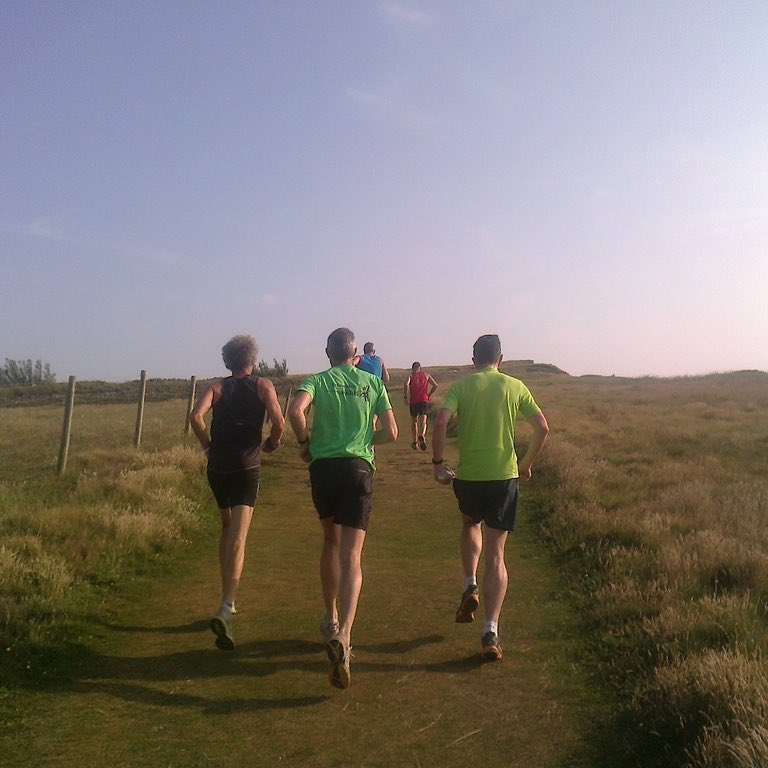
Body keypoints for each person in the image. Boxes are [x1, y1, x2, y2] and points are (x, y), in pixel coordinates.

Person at [288, 328, 398, 689]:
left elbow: (295, 411)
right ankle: (346, 636)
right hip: (359, 468)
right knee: (353, 556)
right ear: (355, 354)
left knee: (330, 543)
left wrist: (306, 441)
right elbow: (392, 433)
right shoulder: (371, 382)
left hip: (324, 468)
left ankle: (331, 617)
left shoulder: (317, 380)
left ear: (327, 353)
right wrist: (367, 437)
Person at [431, 334, 549, 662]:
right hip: (504, 476)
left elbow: (440, 422)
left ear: (473, 359)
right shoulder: (515, 386)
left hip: (469, 476)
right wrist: (525, 466)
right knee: (497, 553)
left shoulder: (461, 387)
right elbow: (543, 428)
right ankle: (491, 630)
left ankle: (470, 584)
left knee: (470, 524)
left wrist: (438, 464)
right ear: (501, 358)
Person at [189, 334, 285, 651]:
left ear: (227, 362)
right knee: (239, 536)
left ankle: (225, 594)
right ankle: (227, 606)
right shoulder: (263, 385)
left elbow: (195, 417)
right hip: (246, 468)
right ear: (252, 360)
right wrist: (270, 444)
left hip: (217, 467)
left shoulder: (217, 387)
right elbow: (278, 421)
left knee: (227, 527)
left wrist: (207, 447)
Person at [403, 362, 438, 451]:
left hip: (414, 401)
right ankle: (422, 435)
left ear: (412, 368)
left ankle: (415, 442)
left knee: (414, 421)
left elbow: (406, 384)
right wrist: (428, 395)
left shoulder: (410, 376)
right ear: (420, 368)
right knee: (423, 420)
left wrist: (405, 396)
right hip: (423, 400)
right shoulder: (426, 375)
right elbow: (435, 385)